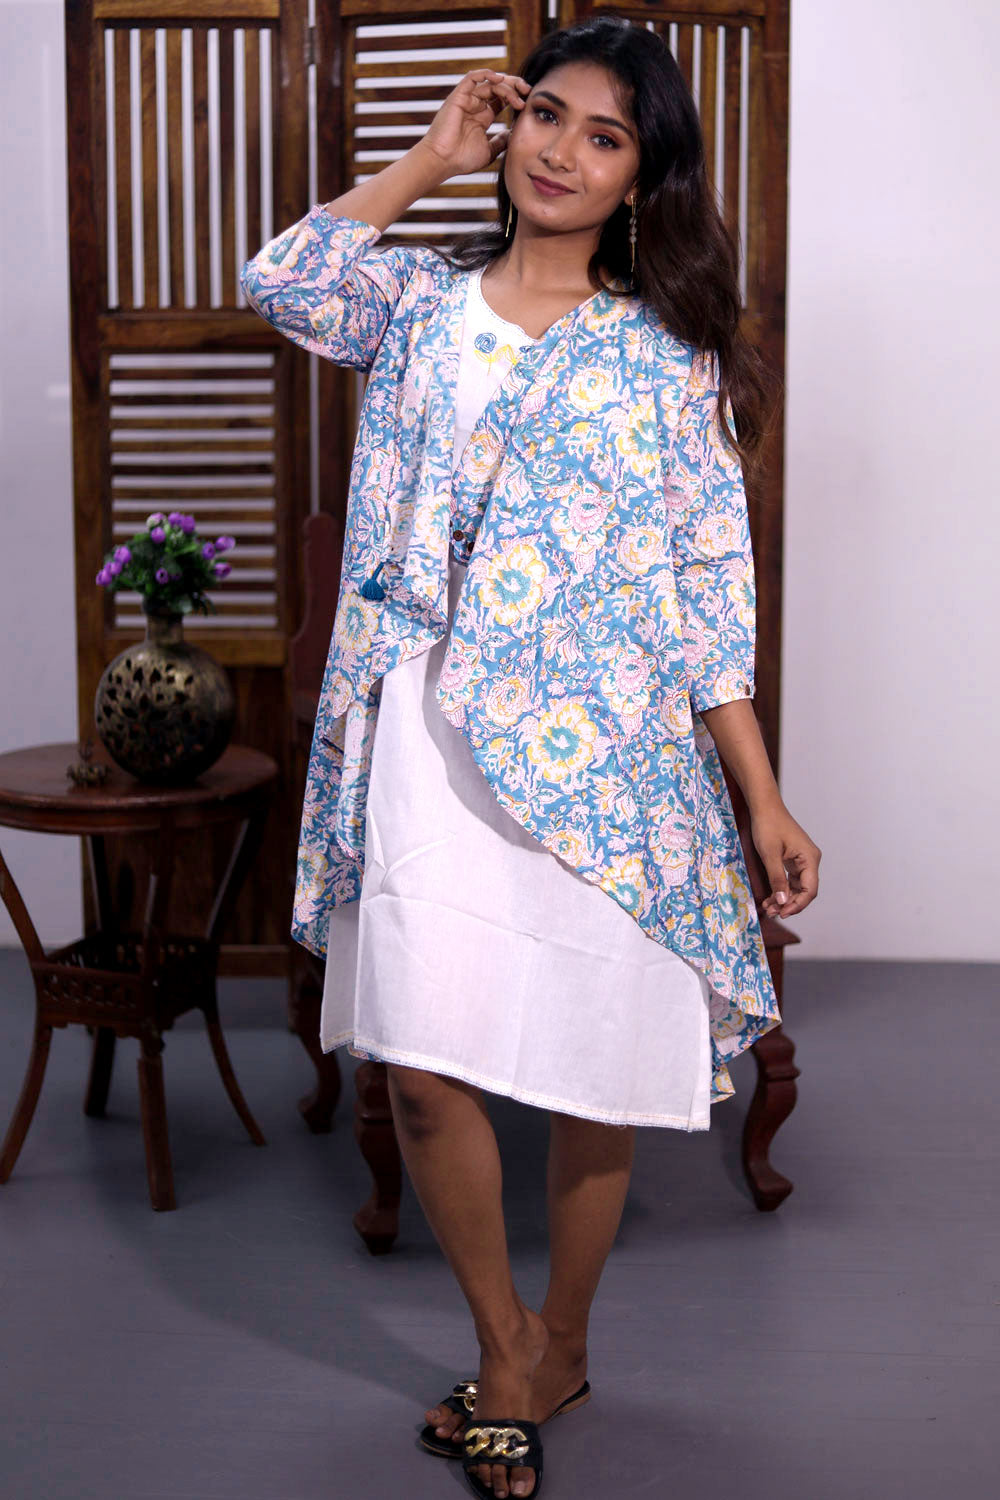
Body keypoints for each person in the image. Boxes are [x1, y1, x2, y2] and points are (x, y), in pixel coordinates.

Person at [241, 15, 820, 1498]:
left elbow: (707, 600)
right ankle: (503, 1346)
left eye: (604, 136)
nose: (562, 152)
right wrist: (429, 157)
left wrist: (760, 798)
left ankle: (562, 1342)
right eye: (544, 115)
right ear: (508, 124)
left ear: (642, 177)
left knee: (591, 1070)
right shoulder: (417, 306)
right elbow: (283, 279)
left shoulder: (672, 357)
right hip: (427, 731)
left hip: (608, 757)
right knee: (424, 1068)